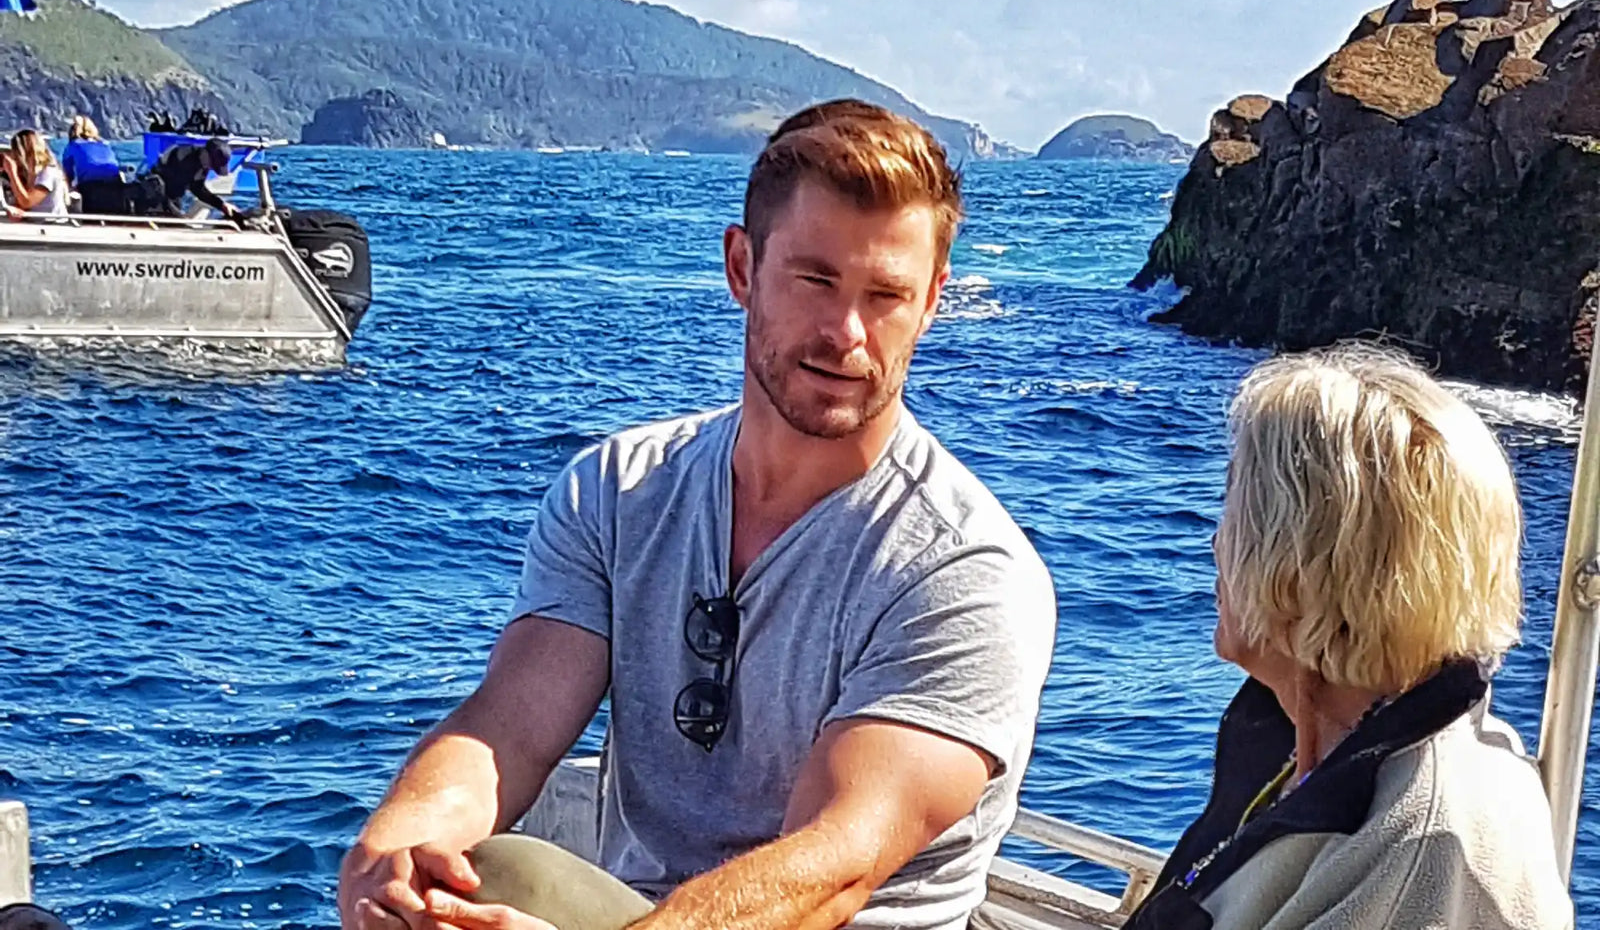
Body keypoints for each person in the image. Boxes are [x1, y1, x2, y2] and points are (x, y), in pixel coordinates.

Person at [337, 99, 1058, 930]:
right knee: (462, 877)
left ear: (932, 301)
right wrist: (394, 849)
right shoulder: (618, 491)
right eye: (816, 281)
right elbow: (510, 726)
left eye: (886, 295)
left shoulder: (964, 572)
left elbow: (834, 866)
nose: (847, 334)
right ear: (742, 268)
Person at [1126, 345, 1573, 930]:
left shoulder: (1411, 855)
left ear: (1299, 567)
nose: (1215, 545)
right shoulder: (1324, 748)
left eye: (1235, 514)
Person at [150, 136, 237, 220]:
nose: (210, 168)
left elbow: (198, 189)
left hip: (173, 197)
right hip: (156, 196)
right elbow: (169, 193)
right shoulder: (183, 159)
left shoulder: (202, 166)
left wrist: (221, 205)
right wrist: (180, 217)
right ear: (205, 153)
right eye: (212, 165)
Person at [61, 115, 124, 215]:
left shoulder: (73, 146)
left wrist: (69, 188)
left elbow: (67, 173)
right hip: (115, 183)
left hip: (90, 186)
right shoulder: (105, 145)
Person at [4, 130, 69, 219]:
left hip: (53, 223)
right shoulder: (30, 174)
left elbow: (27, 202)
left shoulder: (48, 173)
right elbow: (22, 203)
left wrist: (12, 173)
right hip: (37, 223)